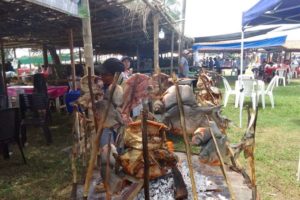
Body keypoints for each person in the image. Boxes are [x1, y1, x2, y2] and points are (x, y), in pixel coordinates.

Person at [94, 58, 125, 147]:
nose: (101, 76)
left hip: (116, 125)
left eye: (105, 74)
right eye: (101, 74)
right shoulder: (104, 86)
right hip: (104, 123)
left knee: (115, 152)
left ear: (116, 76)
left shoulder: (121, 88)